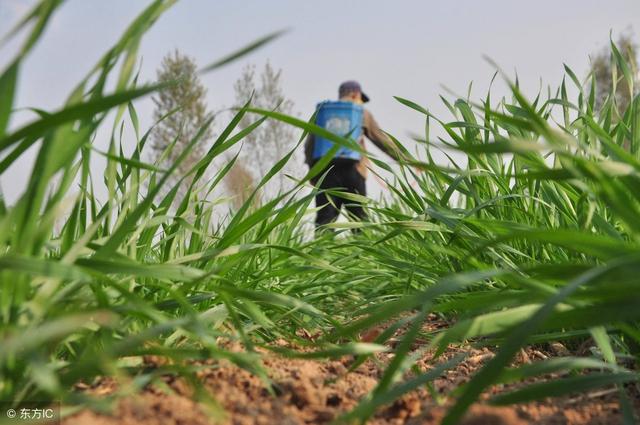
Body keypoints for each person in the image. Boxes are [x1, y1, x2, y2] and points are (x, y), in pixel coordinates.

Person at [304, 80, 405, 229]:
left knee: (325, 219)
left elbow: (309, 145)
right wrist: (406, 160)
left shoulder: (323, 113)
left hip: (326, 173)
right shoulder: (361, 112)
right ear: (355, 94)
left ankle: (320, 251)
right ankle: (364, 251)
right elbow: (382, 140)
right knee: (359, 219)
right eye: (360, 99)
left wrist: (313, 172)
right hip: (354, 171)